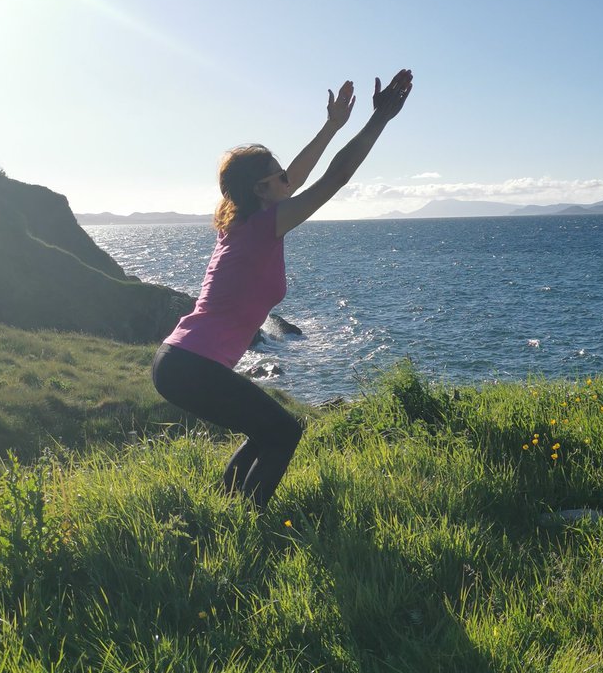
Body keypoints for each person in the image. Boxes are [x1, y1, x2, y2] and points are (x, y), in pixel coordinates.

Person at [151, 68, 413, 510]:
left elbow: (298, 177)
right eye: (278, 175)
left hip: (179, 361)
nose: (288, 178)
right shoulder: (262, 227)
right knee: (285, 431)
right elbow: (335, 179)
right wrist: (379, 120)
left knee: (267, 430)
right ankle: (246, 523)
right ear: (260, 189)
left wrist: (332, 126)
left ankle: (226, 514)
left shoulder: (244, 222)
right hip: (192, 365)